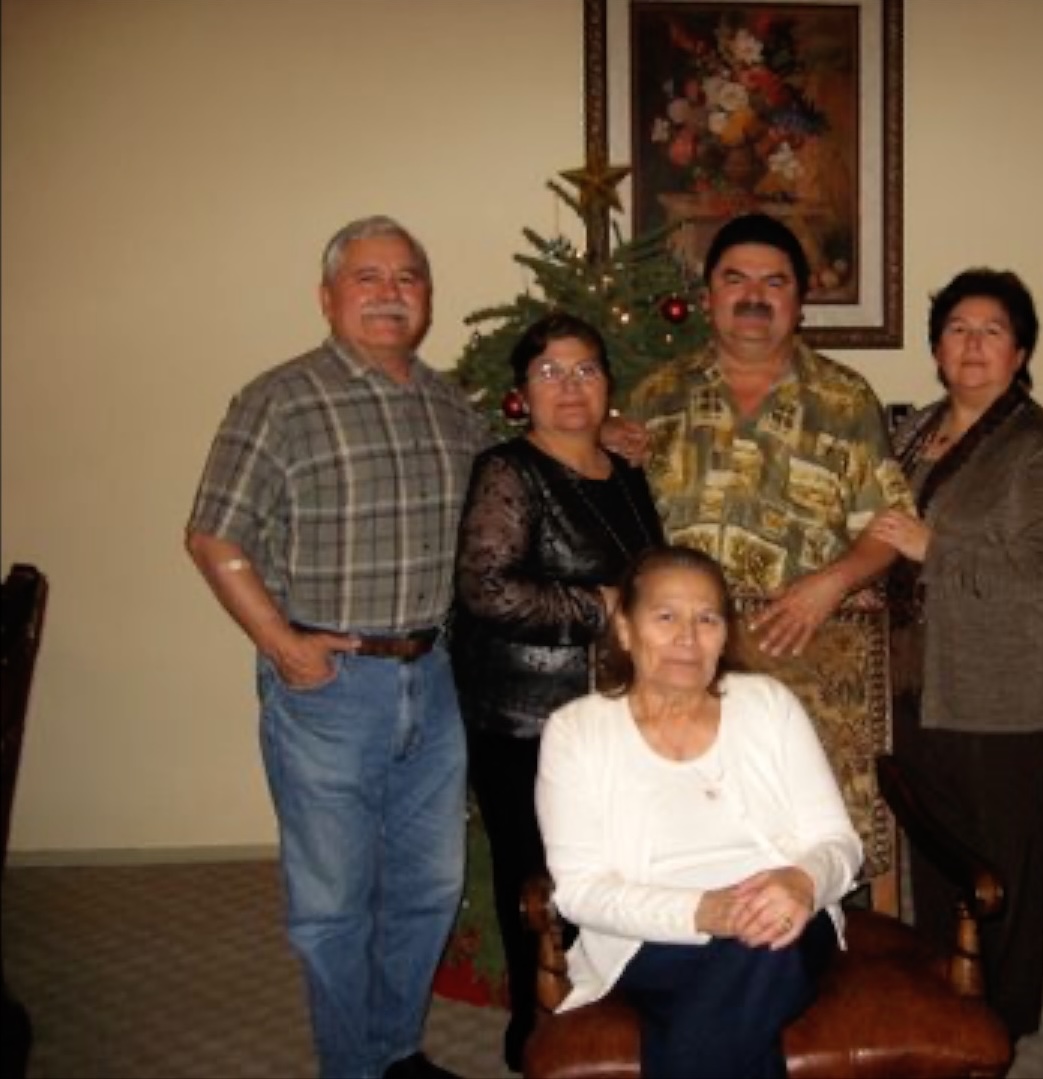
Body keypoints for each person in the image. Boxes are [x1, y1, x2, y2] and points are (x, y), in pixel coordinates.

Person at [185, 215, 492, 1079]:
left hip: (434, 679)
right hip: (330, 688)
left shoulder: (451, 406)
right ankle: (350, 1066)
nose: (390, 293)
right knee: (331, 903)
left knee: (429, 888)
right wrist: (282, 644)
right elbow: (213, 536)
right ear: (327, 297)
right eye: (368, 277)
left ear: (427, 298)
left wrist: (601, 438)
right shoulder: (278, 399)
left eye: (407, 278)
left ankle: (395, 1050)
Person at [536, 545, 864, 1078]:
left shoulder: (768, 704)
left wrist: (802, 882)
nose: (688, 638)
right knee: (745, 979)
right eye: (666, 617)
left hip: (786, 919)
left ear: (725, 634)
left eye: (707, 619)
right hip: (650, 940)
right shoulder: (576, 732)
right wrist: (704, 911)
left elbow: (838, 842)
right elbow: (581, 891)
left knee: (762, 945)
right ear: (625, 629)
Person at [867, 268, 1043, 1041]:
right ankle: (946, 993)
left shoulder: (1039, 446)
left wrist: (934, 546)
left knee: (1001, 862)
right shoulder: (912, 431)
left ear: (1019, 351)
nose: (972, 344)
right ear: (935, 348)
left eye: (992, 330)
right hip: (916, 680)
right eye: (957, 328)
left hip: (1000, 687)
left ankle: (1002, 1015)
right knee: (936, 848)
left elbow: (1039, 571)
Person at [448, 312, 665, 1073]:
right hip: (525, 718)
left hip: (613, 712)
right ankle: (536, 1028)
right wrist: (600, 605)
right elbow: (487, 587)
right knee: (537, 878)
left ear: (608, 385)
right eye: (549, 372)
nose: (569, 386)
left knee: (614, 869)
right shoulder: (508, 470)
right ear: (522, 393)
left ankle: (605, 1018)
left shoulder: (625, 472)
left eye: (585, 370)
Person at [620, 212, 912, 657]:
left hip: (806, 651)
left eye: (774, 283)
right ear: (707, 297)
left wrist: (833, 584)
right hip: (677, 653)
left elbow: (889, 527)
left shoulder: (846, 400)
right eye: (735, 280)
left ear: (799, 301)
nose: (753, 297)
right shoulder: (655, 396)